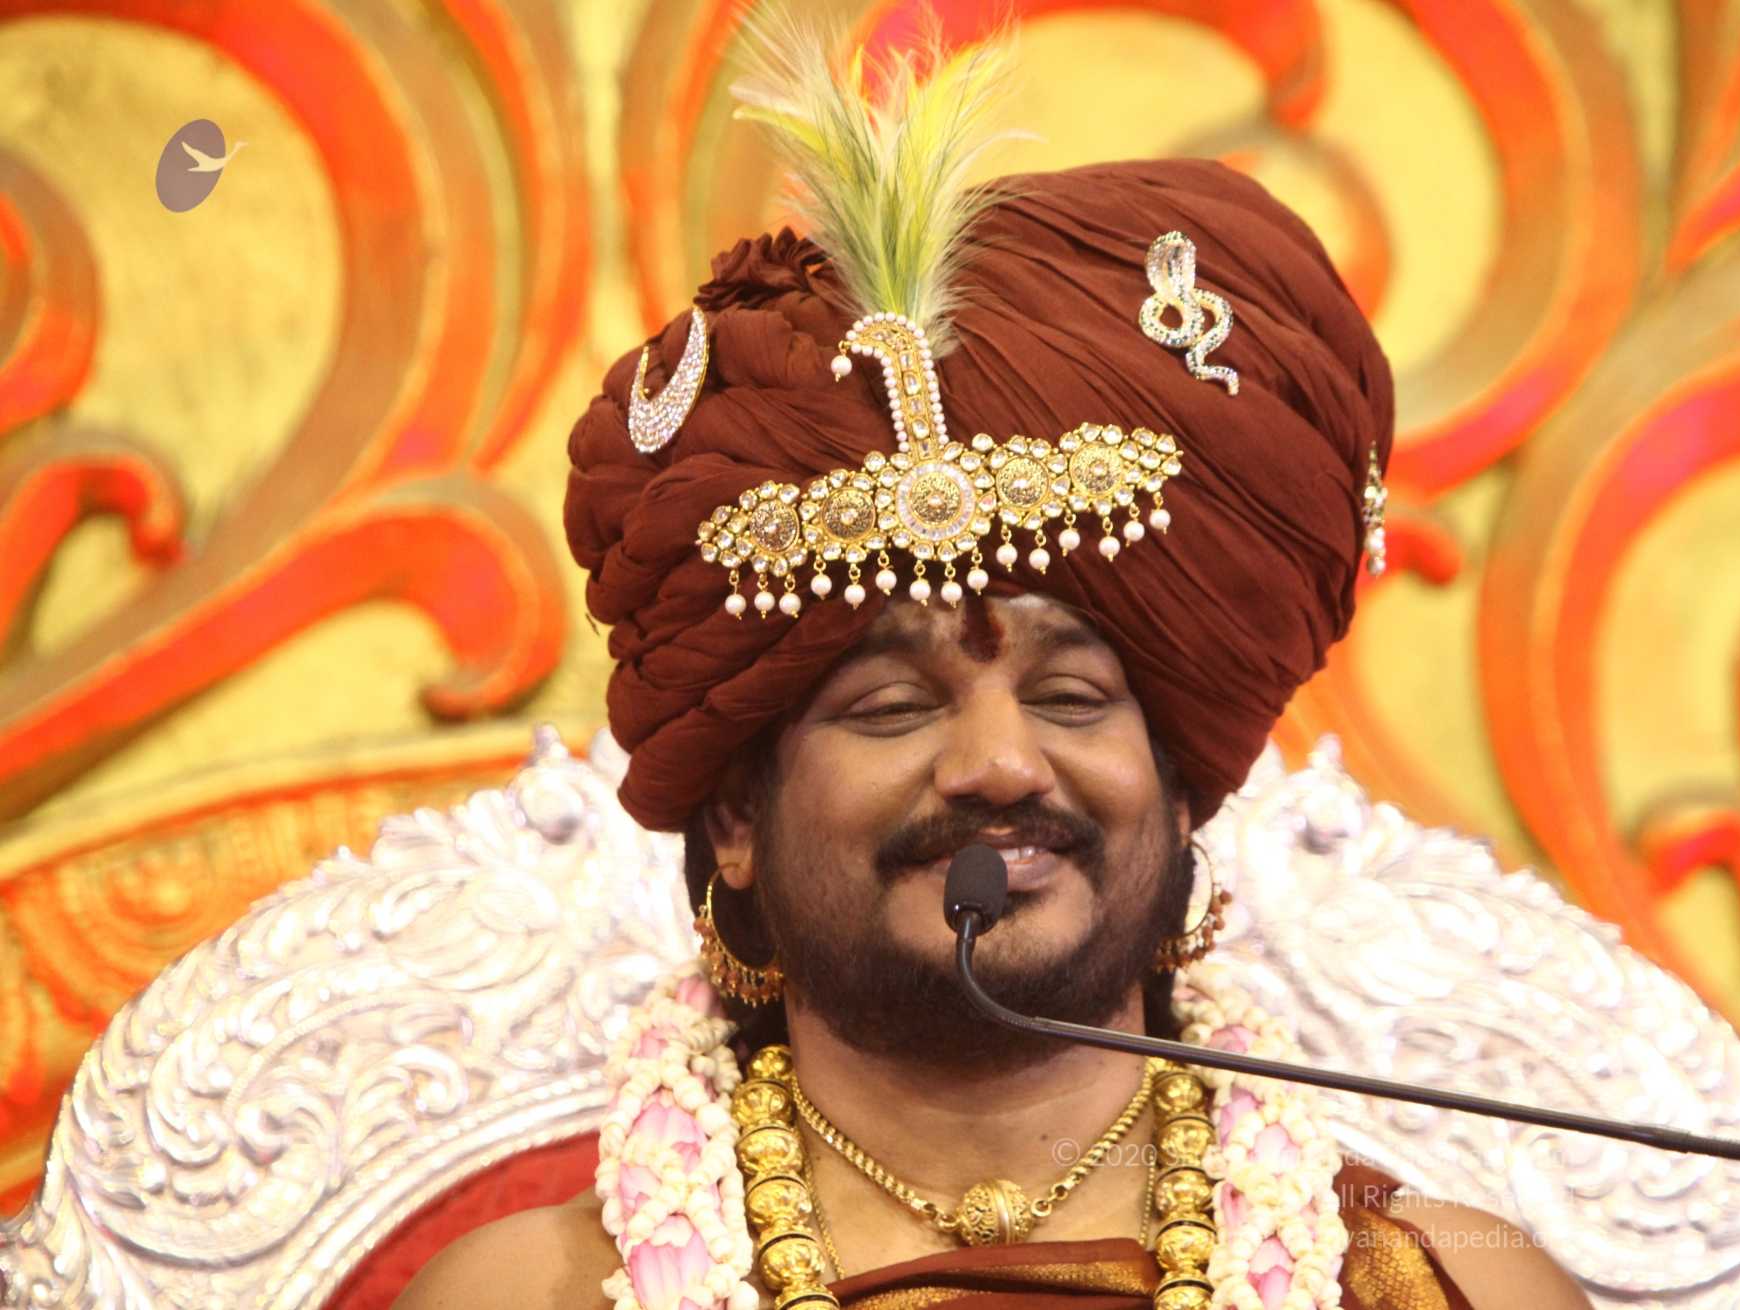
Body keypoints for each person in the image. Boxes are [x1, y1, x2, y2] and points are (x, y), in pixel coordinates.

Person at [397, 16, 1591, 1310]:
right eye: (891, 704)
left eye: (1070, 696)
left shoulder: (1436, 1282)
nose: (998, 763)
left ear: (1178, 788)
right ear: (735, 817)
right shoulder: (529, 1293)